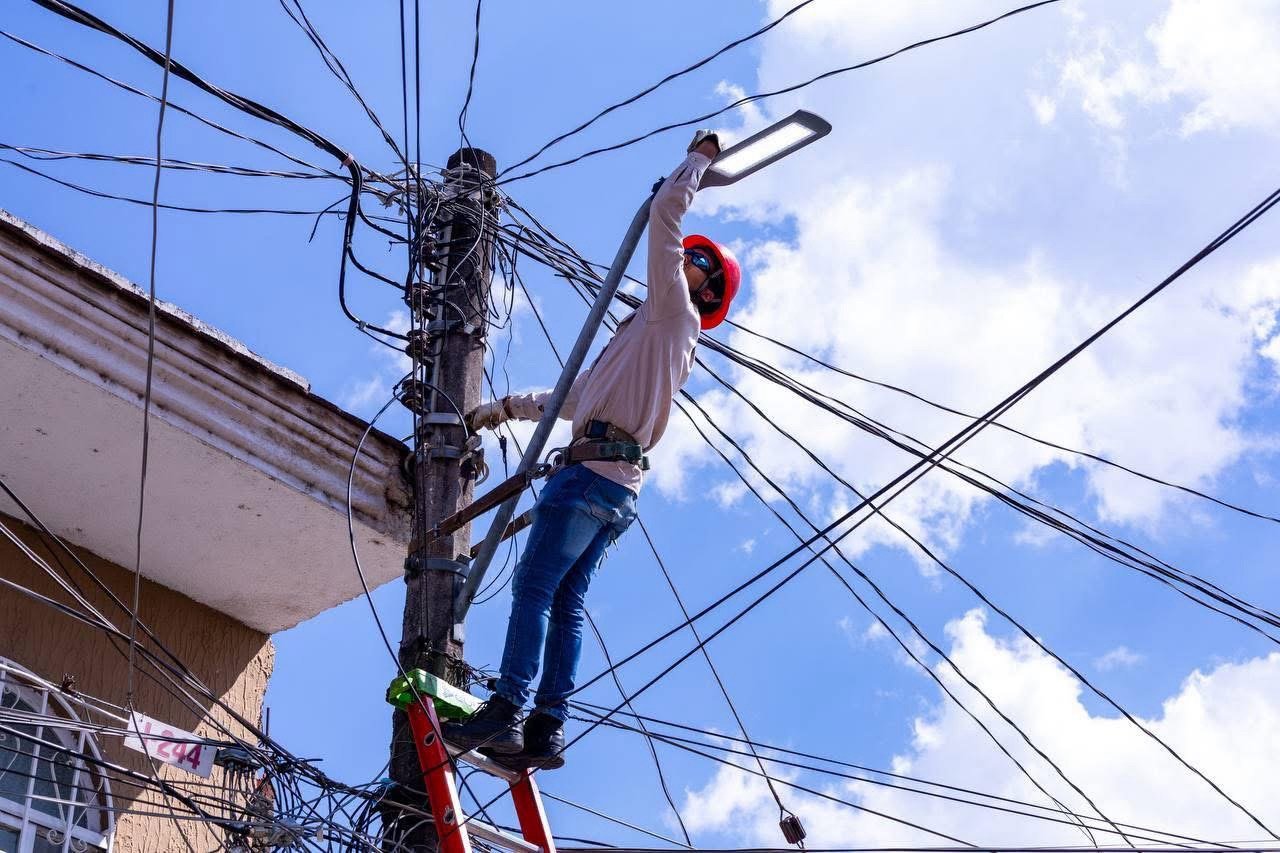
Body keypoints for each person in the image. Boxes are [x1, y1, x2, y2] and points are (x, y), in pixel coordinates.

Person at [443, 131, 742, 768]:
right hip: (614, 486)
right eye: (691, 257)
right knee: (565, 602)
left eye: (699, 263)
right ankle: (546, 728)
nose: (686, 260)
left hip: (588, 481)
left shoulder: (674, 317)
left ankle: (508, 709)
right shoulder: (645, 339)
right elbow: (575, 397)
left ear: (705, 290)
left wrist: (697, 162)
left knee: (533, 589)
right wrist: (503, 409)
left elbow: (665, 215)